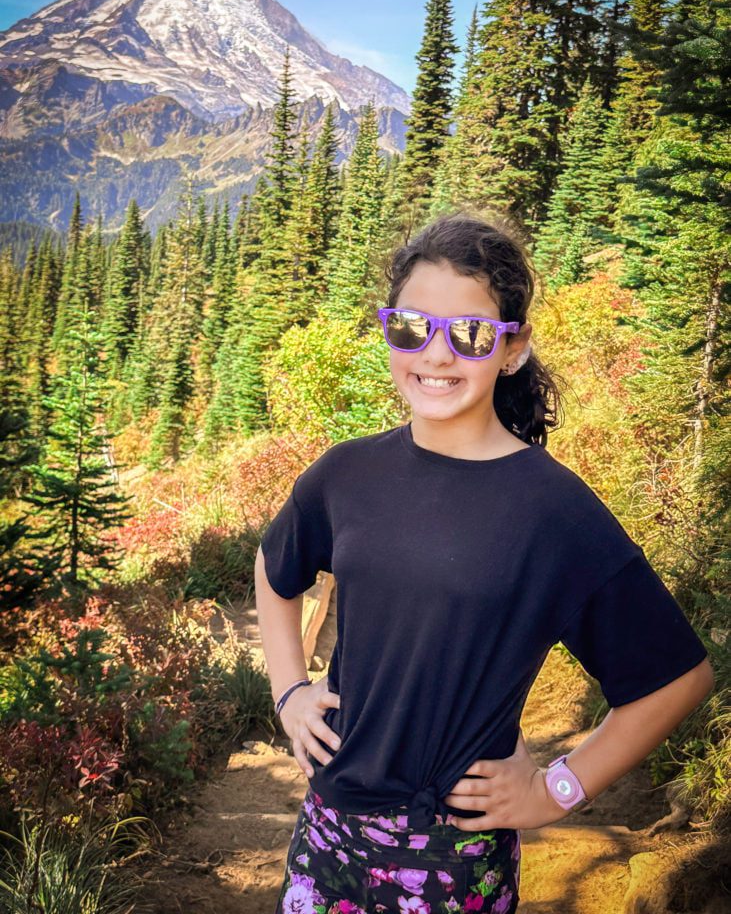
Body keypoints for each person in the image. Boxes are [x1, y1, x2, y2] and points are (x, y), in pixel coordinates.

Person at [256, 212, 714, 914]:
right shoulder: (346, 474)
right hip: (325, 839)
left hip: (453, 862)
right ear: (388, 330)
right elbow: (275, 570)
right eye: (413, 327)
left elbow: (676, 678)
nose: (436, 355)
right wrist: (289, 692)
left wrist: (555, 790)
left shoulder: (552, 511)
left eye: (468, 334)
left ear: (511, 348)